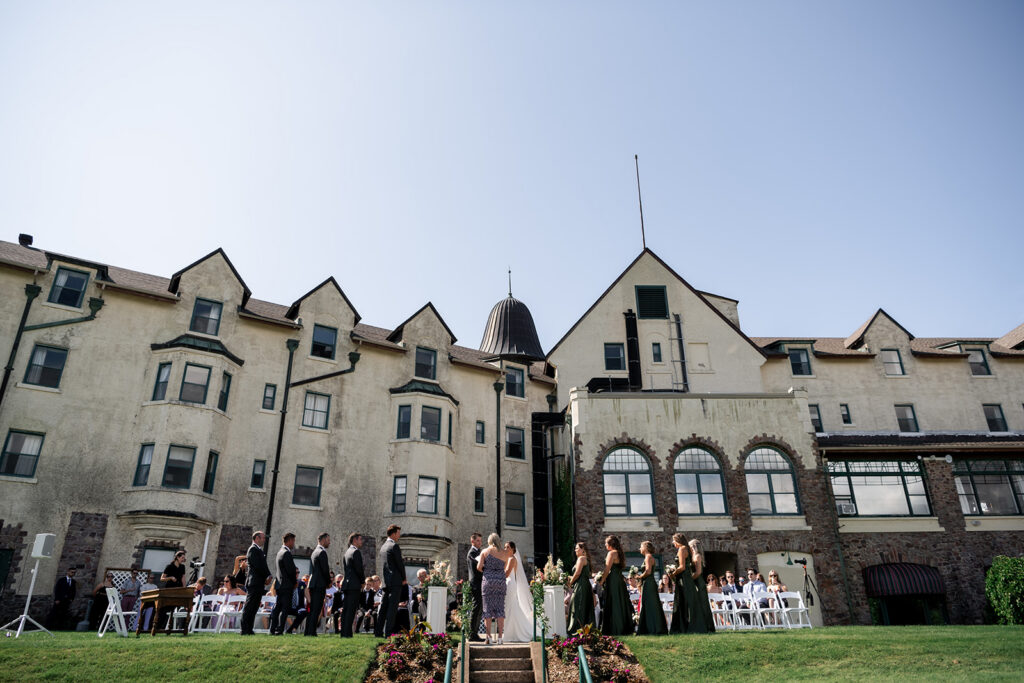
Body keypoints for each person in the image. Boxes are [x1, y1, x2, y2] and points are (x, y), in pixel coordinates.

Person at [596, 535, 633, 636]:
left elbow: (607, 569)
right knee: (620, 602)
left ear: (610, 544)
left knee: (614, 602)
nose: (605, 545)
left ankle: (615, 628)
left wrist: (601, 581)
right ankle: (622, 627)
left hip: (613, 580)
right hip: (619, 580)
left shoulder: (611, 553)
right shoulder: (619, 553)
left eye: (606, 543)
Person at [476, 533, 508, 644]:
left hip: (488, 581)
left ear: (489, 541)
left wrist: (487, 570)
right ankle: (500, 638)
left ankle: (488, 636)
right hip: (500, 581)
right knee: (500, 609)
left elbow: (479, 567)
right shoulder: (505, 553)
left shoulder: (485, 552)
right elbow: (504, 567)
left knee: (487, 610)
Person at [378, 525, 408, 637]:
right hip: (395, 581)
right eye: (398, 533)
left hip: (386, 582)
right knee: (392, 608)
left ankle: (378, 631)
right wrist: (404, 578)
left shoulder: (383, 547)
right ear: (394, 533)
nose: (399, 536)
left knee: (383, 608)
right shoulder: (394, 546)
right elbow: (400, 564)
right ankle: (388, 633)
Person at [502, 541, 534, 643]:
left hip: (510, 584)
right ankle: (510, 632)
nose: (506, 549)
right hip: (507, 584)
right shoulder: (507, 559)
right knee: (509, 608)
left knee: (510, 607)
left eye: (508, 547)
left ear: (513, 549)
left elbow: (507, 573)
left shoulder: (512, 559)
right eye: (505, 547)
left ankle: (512, 633)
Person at [239, 531, 271, 635]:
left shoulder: (259, 550)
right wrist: (267, 575)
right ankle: (244, 629)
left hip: (259, 582)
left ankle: (249, 629)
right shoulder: (252, 549)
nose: (264, 540)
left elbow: (263, 565)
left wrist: (268, 575)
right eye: (263, 538)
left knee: (255, 607)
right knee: (249, 606)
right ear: (257, 538)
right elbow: (258, 565)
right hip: (254, 582)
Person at [635, 541, 667, 635]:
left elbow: (648, 571)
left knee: (650, 605)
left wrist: (639, 577)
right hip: (649, 583)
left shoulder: (648, 557)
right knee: (650, 605)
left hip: (649, 583)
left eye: (641, 547)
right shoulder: (649, 557)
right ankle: (651, 627)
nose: (640, 549)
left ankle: (653, 628)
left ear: (645, 547)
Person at [270, 532, 297, 635]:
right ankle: (280, 629)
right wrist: (294, 582)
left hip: (280, 585)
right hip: (286, 585)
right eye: (293, 541)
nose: (293, 543)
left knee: (278, 608)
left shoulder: (279, 552)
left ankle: (273, 628)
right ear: (289, 541)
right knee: (285, 608)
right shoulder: (286, 553)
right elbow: (291, 571)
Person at [339, 532, 365, 637]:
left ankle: (344, 632)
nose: (361, 541)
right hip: (354, 585)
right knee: (351, 610)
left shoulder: (347, 552)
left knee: (346, 609)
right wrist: (362, 582)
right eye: (360, 539)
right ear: (354, 540)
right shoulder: (356, 552)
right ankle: (347, 633)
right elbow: (359, 569)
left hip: (347, 584)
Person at [567, 542, 595, 635]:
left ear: (583, 549)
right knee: (582, 605)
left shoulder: (581, 558)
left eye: (577, 548)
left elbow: (578, 573)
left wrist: (570, 583)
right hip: (584, 584)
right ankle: (584, 630)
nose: (575, 550)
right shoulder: (585, 559)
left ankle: (576, 629)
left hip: (581, 585)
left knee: (577, 605)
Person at [306, 532, 331, 636]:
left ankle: (308, 631)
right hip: (319, 584)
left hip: (314, 584)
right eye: (328, 540)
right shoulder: (322, 552)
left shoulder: (314, 552)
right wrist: (329, 582)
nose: (329, 542)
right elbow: (325, 570)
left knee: (313, 609)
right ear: (323, 540)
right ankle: (311, 632)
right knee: (316, 609)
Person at [688, 539, 715, 633]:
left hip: (698, 583)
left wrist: (689, 579)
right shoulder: (693, 556)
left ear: (694, 546)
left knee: (703, 605)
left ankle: (707, 626)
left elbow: (698, 572)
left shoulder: (698, 556)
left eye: (690, 546)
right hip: (695, 582)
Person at [668, 533, 693, 634]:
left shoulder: (682, 549)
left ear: (678, 540)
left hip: (683, 578)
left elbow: (682, 567)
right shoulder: (687, 549)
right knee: (685, 601)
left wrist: (672, 573)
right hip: (687, 577)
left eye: (673, 540)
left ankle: (682, 626)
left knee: (682, 601)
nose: (673, 542)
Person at [466, 532, 484, 641]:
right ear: (472, 541)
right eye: (478, 540)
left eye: (480, 541)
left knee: (479, 608)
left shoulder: (479, 552)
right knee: (476, 608)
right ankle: (472, 634)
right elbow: (478, 567)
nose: (480, 542)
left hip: (480, 582)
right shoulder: (472, 553)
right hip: (475, 583)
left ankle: (475, 633)